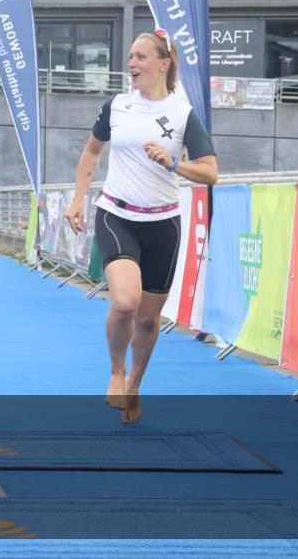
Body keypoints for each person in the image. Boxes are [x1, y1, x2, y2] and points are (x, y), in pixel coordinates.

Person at [64, 29, 218, 424]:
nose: (131, 63)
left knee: (149, 318)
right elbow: (91, 153)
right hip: (117, 215)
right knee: (124, 303)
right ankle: (116, 372)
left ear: (164, 64)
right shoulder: (116, 106)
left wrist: (174, 163)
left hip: (163, 223)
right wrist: (78, 199)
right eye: (131, 56)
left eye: (140, 57)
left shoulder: (183, 114)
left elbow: (210, 173)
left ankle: (134, 384)